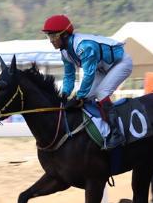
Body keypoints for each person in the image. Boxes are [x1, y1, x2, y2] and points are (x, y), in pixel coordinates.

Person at [42, 14, 133, 149]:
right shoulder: (65, 52)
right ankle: (96, 131)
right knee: (88, 97)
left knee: (101, 93)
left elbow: (89, 74)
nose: (51, 40)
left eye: (53, 36)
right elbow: (69, 75)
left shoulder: (84, 47)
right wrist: (65, 94)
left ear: (65, 35)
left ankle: (116, 133)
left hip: (120, 63)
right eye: (49, 36)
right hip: (102, 69)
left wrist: (79, 95)